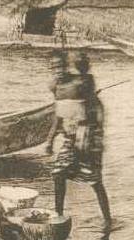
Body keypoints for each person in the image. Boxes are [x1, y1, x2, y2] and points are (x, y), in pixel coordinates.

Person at [45, 51, 111, 222]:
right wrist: (50, 140)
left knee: (95, 181)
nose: (57, 70)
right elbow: (58, 116)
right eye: (54, 67)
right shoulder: (56, 88)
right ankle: (58, 216)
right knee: (58, 173)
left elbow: (98, 107)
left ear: (67, 66)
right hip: (69, 139)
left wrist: (95, 132)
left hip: (87, 137)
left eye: (60, 66)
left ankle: (108, 220)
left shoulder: (82, 81)